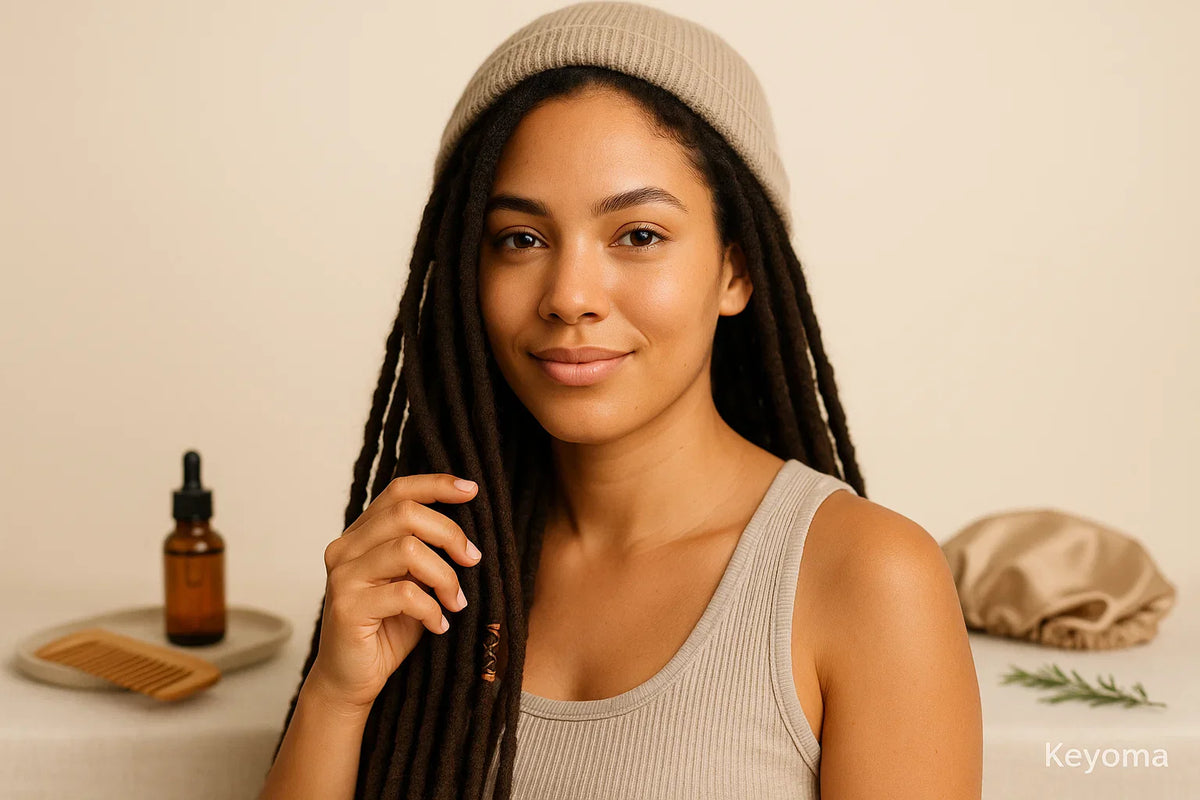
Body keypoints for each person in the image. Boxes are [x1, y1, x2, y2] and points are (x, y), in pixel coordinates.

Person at [260, 3, 982, 799]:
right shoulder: (431, 571)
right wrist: (336, 694)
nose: (570, 296)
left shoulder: (869, 578)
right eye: (520, 239)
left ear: (736, 272)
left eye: (638, 235)